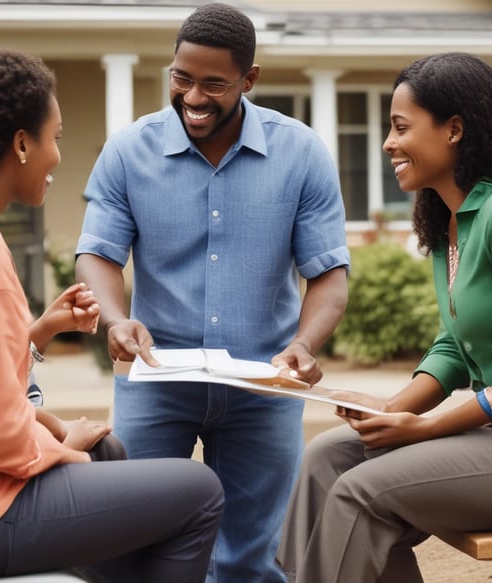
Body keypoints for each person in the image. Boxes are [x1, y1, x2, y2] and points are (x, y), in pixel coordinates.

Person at [0, 48, 223, 583]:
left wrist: (42, 356)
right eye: (55, 137)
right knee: (199, 492)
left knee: (110, 450)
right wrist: (60, 449)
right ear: (22, 144)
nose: (57, 157)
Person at [277, 52, 492, 583]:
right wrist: (392, 411)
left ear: (454, 129)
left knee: (363, 489)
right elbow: (456, 347)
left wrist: (427, 427)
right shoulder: (450, 225)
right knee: (329, 456)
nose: (388, 143)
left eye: (400, 127)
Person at [75, 3, 350, 581]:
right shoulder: (128, 151)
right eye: (181, 78)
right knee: (128, 544)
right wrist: (115, 319)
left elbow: (328, 274)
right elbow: (98, 253)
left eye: (213, 84)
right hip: (157, 381)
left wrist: (306, 342)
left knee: (253, 557)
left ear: (249, 80)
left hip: (262, 383)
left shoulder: (300, 153)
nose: (193, 97)